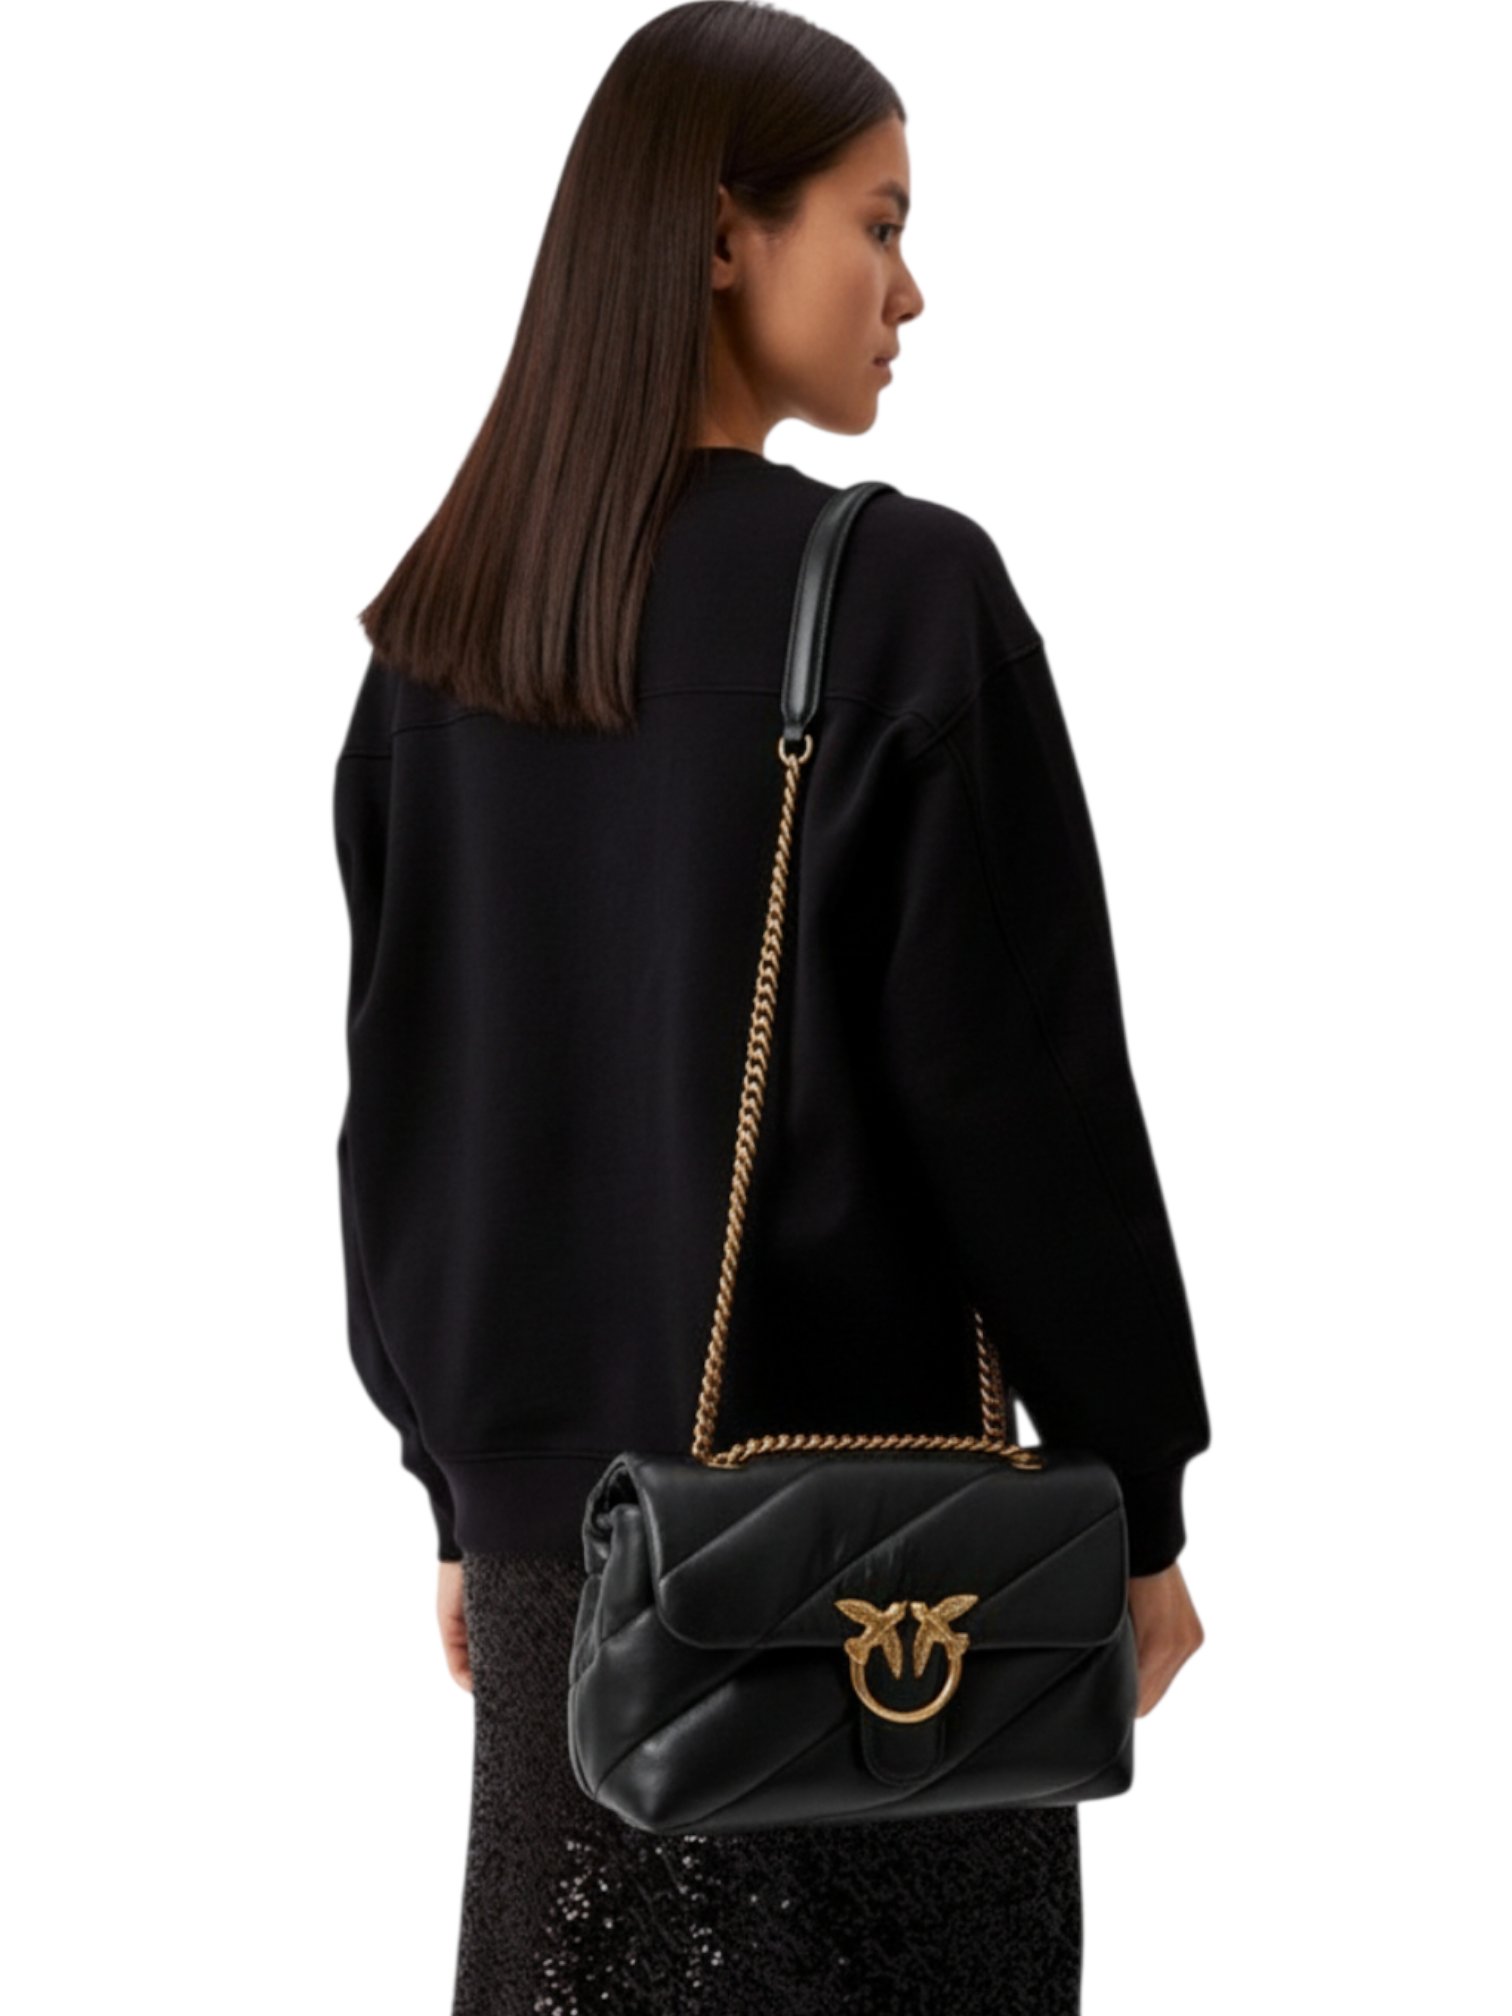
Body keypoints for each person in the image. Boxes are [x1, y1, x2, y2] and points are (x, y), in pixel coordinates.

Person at [332, 5, 1211, 2010]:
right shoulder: (899, 598)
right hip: (874, 1586)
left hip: (555, 1592)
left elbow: (403, 1129)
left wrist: (467, 1489)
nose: (912, 288)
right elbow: (1027, 1102)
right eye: (877, 222)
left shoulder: (436, 650)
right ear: (726, 232)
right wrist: (1138, 1491)